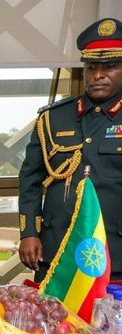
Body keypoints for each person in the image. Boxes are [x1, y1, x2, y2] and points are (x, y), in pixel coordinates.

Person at [19, 17, 122, 282]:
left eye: (109, 67)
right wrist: (29, 232)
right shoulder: (54, 118)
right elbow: (30, 179)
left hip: (115, 252)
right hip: (57, 250)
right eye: (91, 67)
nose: (97, 75)